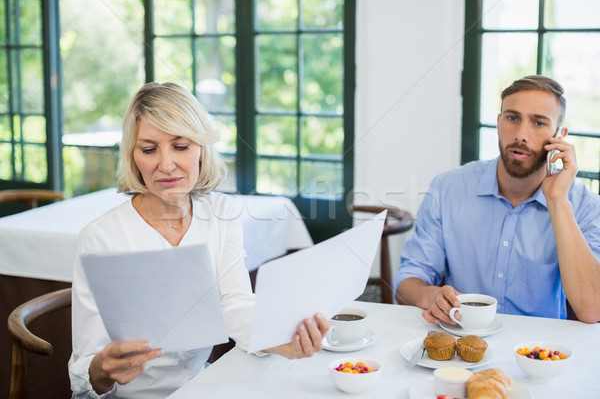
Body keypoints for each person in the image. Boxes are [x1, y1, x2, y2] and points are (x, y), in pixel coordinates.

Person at [69, 82, 329, 398]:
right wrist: (101, 372)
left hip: (199, 385)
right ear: (133, 156)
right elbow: (83, 375)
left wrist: (278, 339)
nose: (165, 165)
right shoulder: (102, 238)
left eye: (181, 146)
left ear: (202, 149)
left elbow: (235, 305)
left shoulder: (221, 212)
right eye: (149, 149)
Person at [393, 75, 600, 324]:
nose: (521, 135)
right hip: (463, 339)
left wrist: (557, 201)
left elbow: (592, 310)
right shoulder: (446, 188)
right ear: (499, 123)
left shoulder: (585, 206)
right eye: (512, 118)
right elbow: (407, 282)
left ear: (559, 136)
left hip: (539, 351)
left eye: (538, 123)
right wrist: (431, 296)